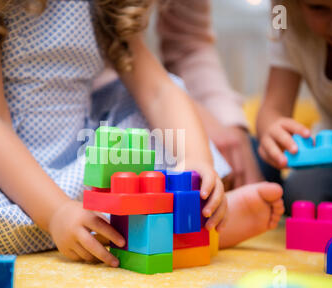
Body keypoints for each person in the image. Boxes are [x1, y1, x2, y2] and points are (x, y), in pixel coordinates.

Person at [0, 0, 284, 262]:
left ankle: (180, 212)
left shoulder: (103, 6)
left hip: (81, 169)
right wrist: (55, 215)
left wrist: (196, 162)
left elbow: (157, 90)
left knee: (156, 115)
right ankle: (153, 232)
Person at [94, 0, 264, 190]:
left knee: (260, 163)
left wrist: (225, 124)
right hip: (116, 101)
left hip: (155, 93)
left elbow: (188, 46)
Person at [257, 0, 332, 222]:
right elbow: (273, 107)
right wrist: (271, 129)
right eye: (319, 8)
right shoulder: (288, 26)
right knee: (300, 198)